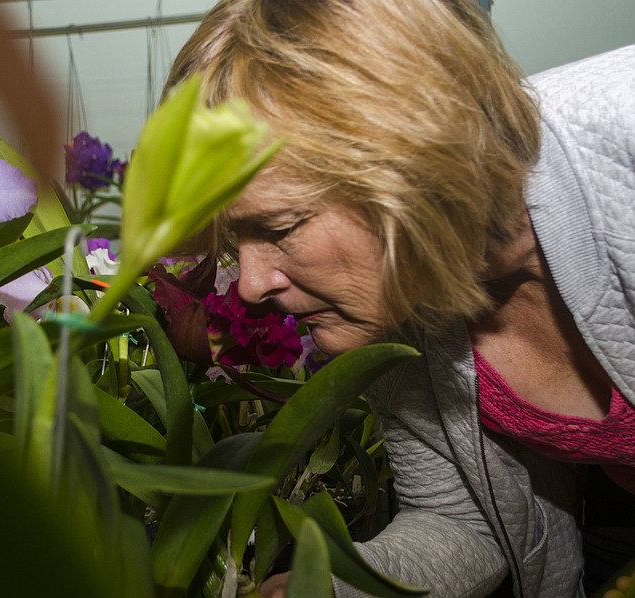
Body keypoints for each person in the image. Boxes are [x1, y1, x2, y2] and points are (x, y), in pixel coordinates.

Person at [163, 0, 635, 596]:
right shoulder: (397, 313)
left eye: (279, 228)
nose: (252, 284)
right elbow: (465, 522)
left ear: (412, 160)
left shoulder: (623, 142)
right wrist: (333, 587)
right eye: (236, 237)